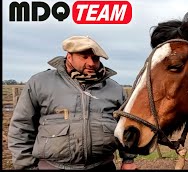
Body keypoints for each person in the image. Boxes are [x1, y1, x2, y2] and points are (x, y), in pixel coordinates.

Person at [7, 35, 138, 170]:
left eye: (95, 58)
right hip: (52, 166)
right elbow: (21, 126)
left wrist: (128, 159)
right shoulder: (40, 83)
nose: (91, 63)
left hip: (102, 165)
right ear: (69, 57)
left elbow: (126, 128)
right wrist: (25, 166)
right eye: (84, 57)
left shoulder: (114, 89)